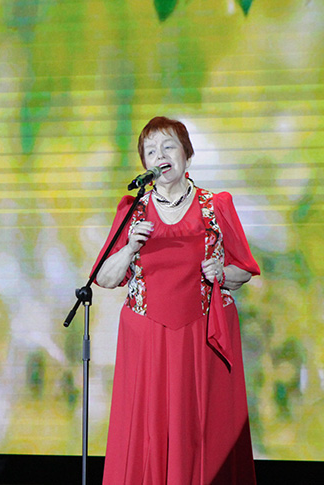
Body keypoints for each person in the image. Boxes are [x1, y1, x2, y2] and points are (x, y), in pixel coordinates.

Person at [94, 116, 260, 484]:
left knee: (199, 429)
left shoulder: (215, 205)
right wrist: (129, 248)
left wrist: (221, 272)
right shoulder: (132, 210)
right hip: (147, 338)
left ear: (186, 153)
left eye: (168, 146)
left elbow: (245, 270)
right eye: (151, 151)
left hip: (202, 335)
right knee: (148, 432)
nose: (161, 156)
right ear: (145, 165)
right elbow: (104, 278)